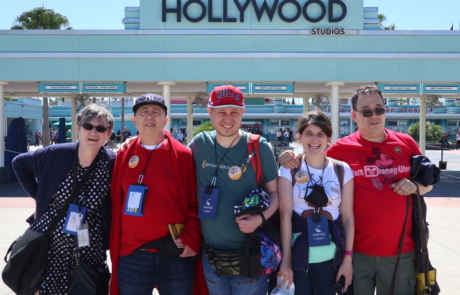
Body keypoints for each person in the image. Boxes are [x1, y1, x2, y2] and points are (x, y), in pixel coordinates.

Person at [280, 85, 433, 294]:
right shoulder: (341, 149)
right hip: (357, 253)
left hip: (401, 252)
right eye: (366, 111)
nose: (374, 115)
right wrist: (288, 156)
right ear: (354, 115)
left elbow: (429, 181)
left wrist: (416, 186)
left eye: (378, 109)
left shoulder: (406, 143)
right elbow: (314, 152)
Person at [12, 104, 115, 294]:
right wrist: (40, 198)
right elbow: (19, 164)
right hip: (51, 243)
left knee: (88, 289)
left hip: (89, 245)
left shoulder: (111, 161)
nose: (94, 132)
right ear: (78, 129)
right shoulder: (57, 154)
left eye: (101, 128)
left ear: (108, 134)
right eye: (88, 126)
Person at [188, 85, 279, 295]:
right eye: (221, 112)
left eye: (234, 113)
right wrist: (133, 142)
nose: (228, 119)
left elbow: (275, 194)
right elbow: (172, 158)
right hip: (211, 258)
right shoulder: (199, 144)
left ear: (242, 113)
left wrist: (261, 219)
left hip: (250, 254)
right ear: (210, 112)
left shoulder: (258, 147)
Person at [109, 93, 201, 295]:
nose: (150, 117)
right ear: (135, 120)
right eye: (144, 112)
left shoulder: (183, 156)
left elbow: (196, 202)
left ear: (165, 120)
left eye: (156, 112)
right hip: (133, 256)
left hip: (175, 254)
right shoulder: (122, 156)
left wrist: (191, 238)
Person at [277, 110, 354, 295]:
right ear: (299, 137)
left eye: (320, 134)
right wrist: (286, 261)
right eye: (308, 133)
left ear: (329, 138)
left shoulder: (342, 170)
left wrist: (347, 260)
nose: (314, 139)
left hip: (332, 260)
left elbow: (348, 218)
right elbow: (285, 215)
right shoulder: (289, 170)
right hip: (299, 258)